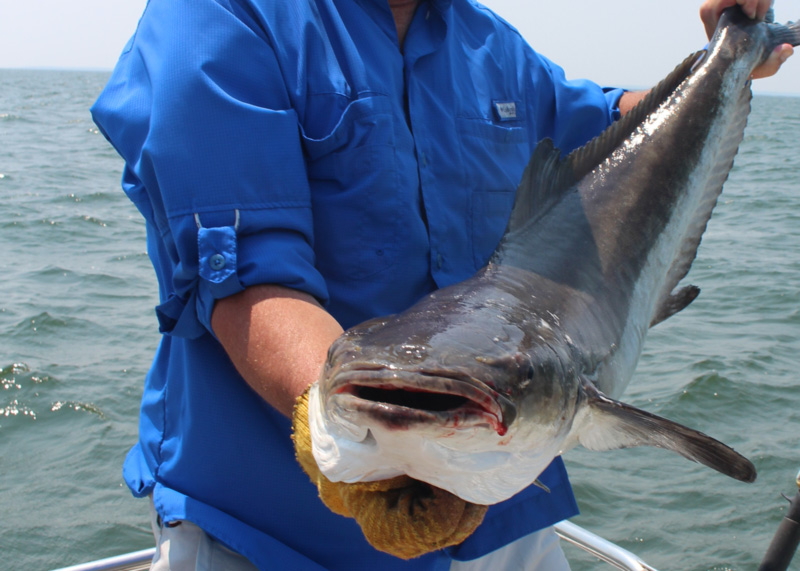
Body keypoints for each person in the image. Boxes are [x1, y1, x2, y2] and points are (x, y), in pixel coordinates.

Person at [91, 0, 791, 569]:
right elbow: (248, 283)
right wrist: (358, 447)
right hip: (271, 536)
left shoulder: (491, 46)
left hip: (505, 512)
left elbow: (608, 122)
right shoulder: (219, 17)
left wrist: (723, 64)